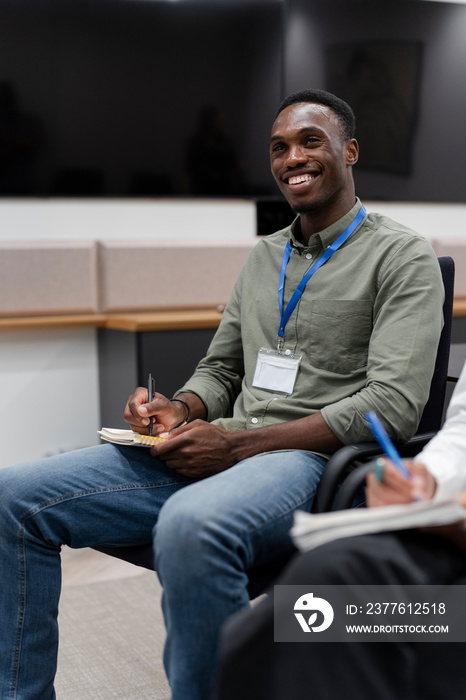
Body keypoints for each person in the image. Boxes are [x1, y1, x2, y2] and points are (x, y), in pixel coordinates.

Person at [0, 88, 444, 700]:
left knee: (190, 526)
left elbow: (392, 406)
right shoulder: (263, 256)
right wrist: (178, 408)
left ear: (350, 150)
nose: (293, 158)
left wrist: (237, 449)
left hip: (308, 459)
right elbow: (221, 370)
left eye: (311, 141)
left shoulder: (402, 255)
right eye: (279, 148)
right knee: (12, 498)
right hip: (222, 445)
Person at [213, 362, 466, 700]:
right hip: (451, 529)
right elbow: (462, 432)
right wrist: (429, 477)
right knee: (320, 590)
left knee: (432, 639)